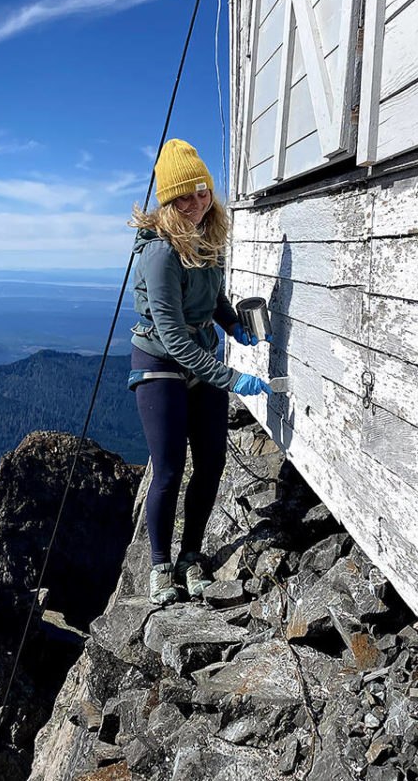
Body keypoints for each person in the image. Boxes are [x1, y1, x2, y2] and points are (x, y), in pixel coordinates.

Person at [128, 138, 271, 606]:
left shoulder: (208, 237)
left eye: (202, 191)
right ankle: (160, 566)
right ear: (167, 202)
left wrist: (234, 328)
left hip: (200, 355)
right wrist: (231, 378)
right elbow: (171, 334)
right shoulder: (160, 253)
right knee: (169, 469)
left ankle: (192, 558)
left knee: (211, 462)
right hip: (158, 362)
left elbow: (214, 299)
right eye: (184, 196)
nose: (196, 202)